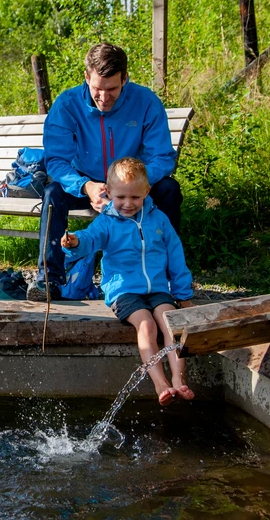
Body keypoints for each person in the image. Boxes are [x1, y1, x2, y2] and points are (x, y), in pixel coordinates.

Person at [27, 42, 183, 301]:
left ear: (125, 78)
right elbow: (56, 161)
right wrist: (85, 186)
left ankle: (166, 276)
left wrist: (132, 185)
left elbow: (162, 157)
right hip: (85, 185)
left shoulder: (146, 102)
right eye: (97, 88)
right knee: (53, 192)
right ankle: (49, 280)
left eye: (112, 89)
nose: (103, 97)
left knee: (169, 189)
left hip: (132, 186)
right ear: (86, 77)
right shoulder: (66, 105)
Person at [60, 157, 195, 406]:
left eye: (135, 197)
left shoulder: (158, 220)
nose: (127, 204)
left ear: (147, 191)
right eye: (121, 197)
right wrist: (75, 242)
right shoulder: (107, 222)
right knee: (146, 326)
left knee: (171, 323)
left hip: (157, 289)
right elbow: (90, 238)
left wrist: (183, 295)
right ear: (109, 193)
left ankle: (178, 378)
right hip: (124, 292)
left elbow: (176, 257)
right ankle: (160, 383)